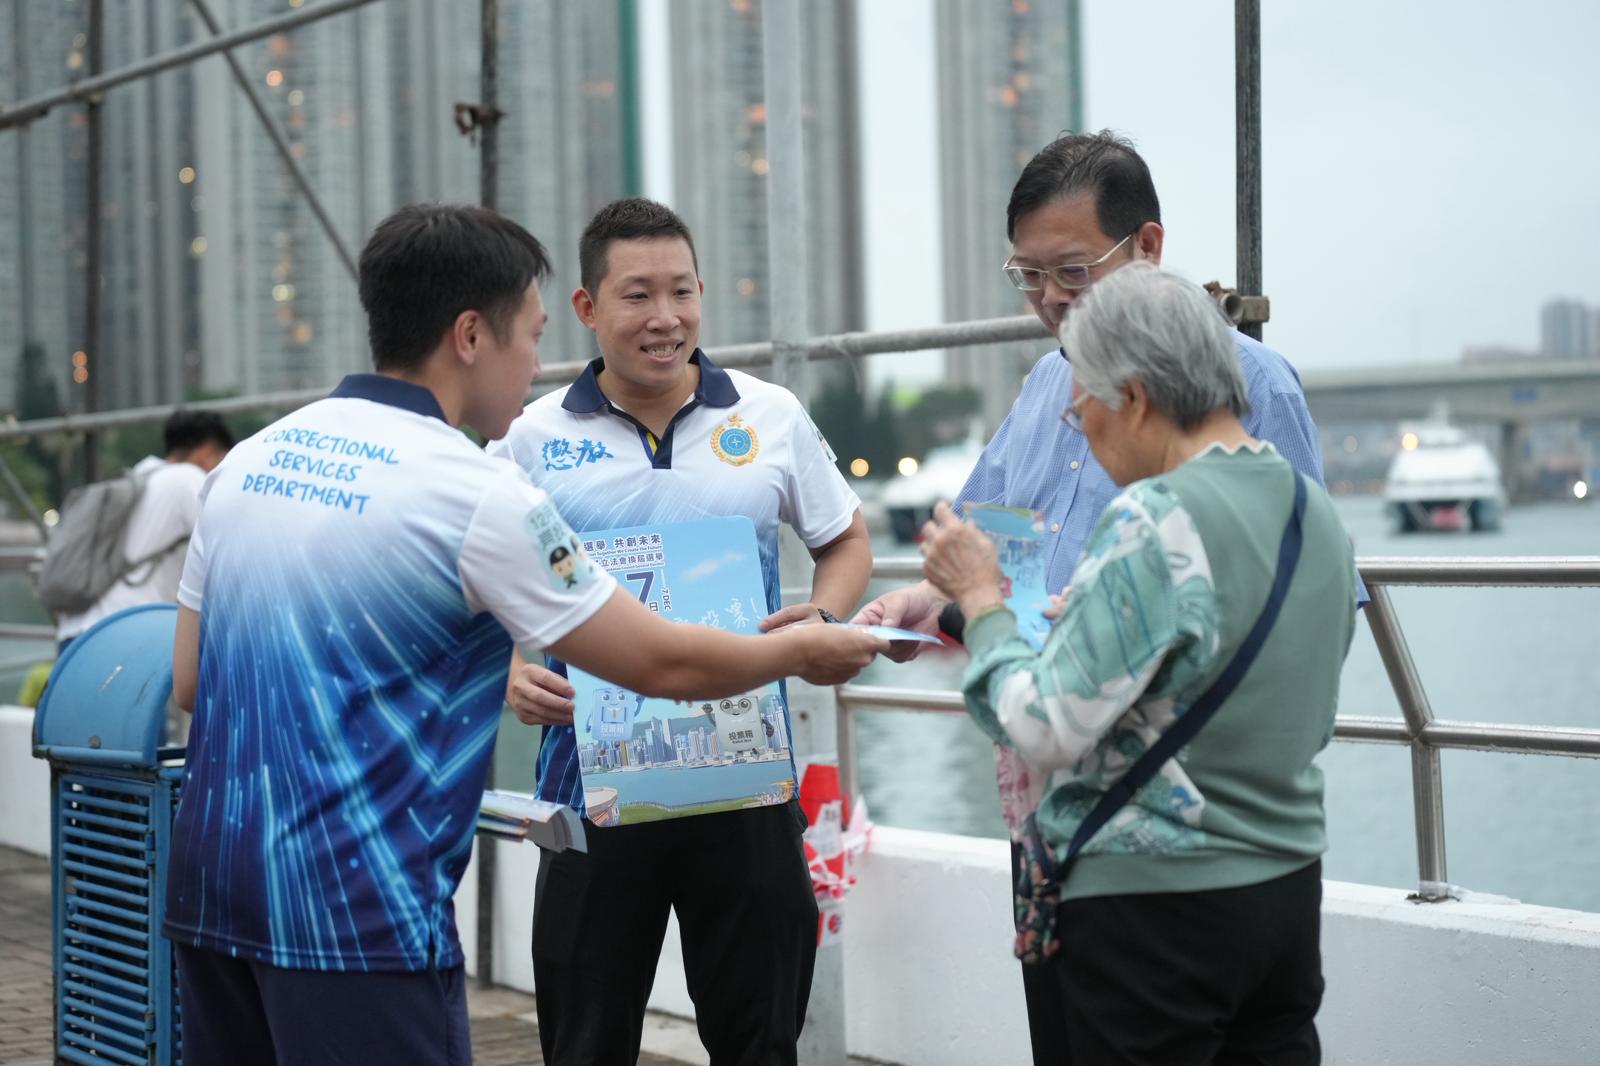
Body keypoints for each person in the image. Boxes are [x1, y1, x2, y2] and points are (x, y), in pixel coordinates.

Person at [164, 203, 885, 1066]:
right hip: (365, 900)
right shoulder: (482, 486)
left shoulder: (248, 461)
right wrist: (801, 652)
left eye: (682, 292)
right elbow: (657, 661)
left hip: (216, 888)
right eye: (534, 335)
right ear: (474, 334)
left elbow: (190, 683)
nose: (539, 363)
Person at [851, 131, 1345, 1061]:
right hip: (1237, 864)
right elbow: (998, 546)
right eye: (1028, 276)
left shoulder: (1171, 492)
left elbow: (1047, 712)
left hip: (1144, 851)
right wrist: (941, 601)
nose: (1077, 416)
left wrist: (988, 612)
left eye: (1072, 272)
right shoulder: (1297, 504)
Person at [488, 197, 872, 1066]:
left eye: (682, 291)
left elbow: (845, 538)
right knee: (585, 1043)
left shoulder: (770, 414)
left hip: (746, 777)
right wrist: (508, 665)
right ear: (587, 308)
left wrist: (824, 614)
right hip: (587, 784)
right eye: (636, 295)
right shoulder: (531, 438)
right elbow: (473, 577)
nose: (665, 318)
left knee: (760, 1040)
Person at [54, 409, 234, 653]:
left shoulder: (142, 475)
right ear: (206, 453)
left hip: (77, 637)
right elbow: (226, 547)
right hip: (126, 633)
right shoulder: (188, 478)